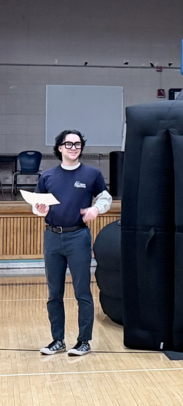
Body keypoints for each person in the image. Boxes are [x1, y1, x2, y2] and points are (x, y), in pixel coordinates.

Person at [34, 130, 112, 356]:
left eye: (77, 144)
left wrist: (96, 209)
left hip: (78, 237)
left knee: (82, 291)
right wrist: (40, 209)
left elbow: (105, 197)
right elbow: (37, 205)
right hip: (52, 238)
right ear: (60, 148)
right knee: (54, 293)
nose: (73, 147)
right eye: (68, 144)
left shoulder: (92, 174)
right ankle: (57, 340)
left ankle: (84, 341)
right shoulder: (47, 176)